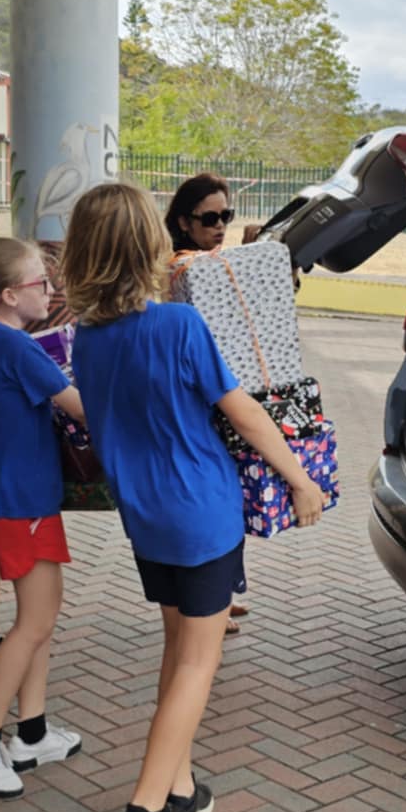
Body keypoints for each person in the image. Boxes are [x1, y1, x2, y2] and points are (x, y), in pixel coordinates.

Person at [64, 183, 326, 812]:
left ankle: (177, 785)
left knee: (179, 649)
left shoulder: (88, 337)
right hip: (200, 511)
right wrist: (300, 479)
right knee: (197, 664)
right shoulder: (178, 326)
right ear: (150, 244)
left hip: (146, 516)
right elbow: (245, 413)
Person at [0, 237, 88, 799]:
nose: (50, 292)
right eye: (40, 283)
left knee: (41, 618)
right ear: (8, 294)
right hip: (19, 501)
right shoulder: (15, 347)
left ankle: (31, 732)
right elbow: (81, 407)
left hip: (23, 498)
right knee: (33, 623)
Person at [163, 173, 250, 629]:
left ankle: (222, 594)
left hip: (217, 394)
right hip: (197, 402)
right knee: (213, 501)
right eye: (209, 218)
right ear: (184, 221)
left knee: (227, 498)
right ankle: (208, 603)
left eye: (226, 216)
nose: (220, 226)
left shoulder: (209, 263)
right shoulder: (182, 267)